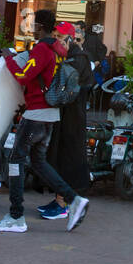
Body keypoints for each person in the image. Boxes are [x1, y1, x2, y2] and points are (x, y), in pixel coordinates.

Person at [0, 10, 89, 233]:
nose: (29, 27)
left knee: (16, 161)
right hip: (49, 115)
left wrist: (8, 58)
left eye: (32, 24)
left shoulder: (43, 49)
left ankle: (16, 217)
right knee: (38, 161)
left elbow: (25, 76)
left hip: (36, 114)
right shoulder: (57, 50)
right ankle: (74, 200)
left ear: (39, 26)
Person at [47, 22, 93, 203]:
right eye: (55, 36)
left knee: (69, 157)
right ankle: (61, 199)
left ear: (70, 38)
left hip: (73, 117)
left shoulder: (78, 58)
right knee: (60, 155)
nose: (56, 40)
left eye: (60, 36)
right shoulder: (66, 56)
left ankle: (65, 201)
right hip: (63, 114)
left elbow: (66, 87)